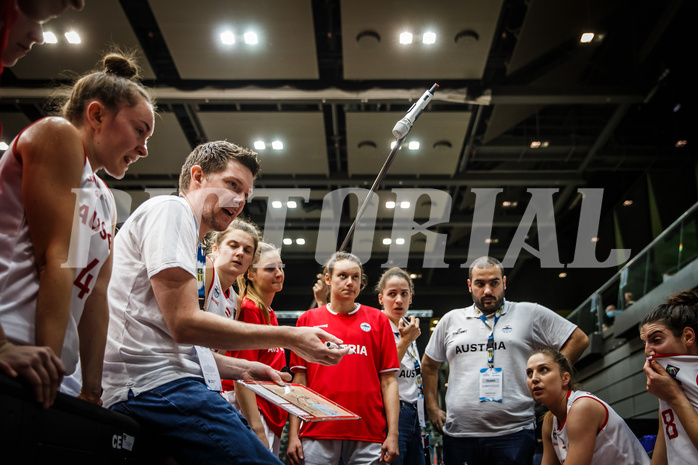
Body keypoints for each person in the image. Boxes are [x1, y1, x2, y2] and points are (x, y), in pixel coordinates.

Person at [101, 140, 349, 465]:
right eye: (232, 185)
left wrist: (246, 369)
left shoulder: (193, 243)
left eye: (246, 193)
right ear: (198, 176)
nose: (240, 199)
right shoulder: (171, 210)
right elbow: (184, 325)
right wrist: (290, 337)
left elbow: (179, 346)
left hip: (164, 384)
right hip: (153, 387)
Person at [0, 51, 154, 408]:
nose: (144, 149)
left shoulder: (105, 197)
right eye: (139, 131)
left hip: (50, 368)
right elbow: (55, 258)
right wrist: (48, 365)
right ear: (97, 114)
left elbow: (97, 297)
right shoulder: (56, 133)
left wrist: (92, 387)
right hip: (19, 352)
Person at [421, 256, 589, 465]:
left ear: (504, 282)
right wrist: (432, 408)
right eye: (480, 284)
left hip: (514, 433)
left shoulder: (529, 313)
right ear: (469, 285)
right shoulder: (451, 320)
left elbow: (578, 339)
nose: (488, 291)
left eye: (494, 283)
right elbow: (428, 365)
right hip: (460, 436)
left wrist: (549, 376)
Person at [287, 252, 400, 465]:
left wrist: (392, 434)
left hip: (368, 430)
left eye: (355, 277)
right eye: (343, 276)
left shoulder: (378, 320)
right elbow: (299, 381)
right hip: (317, 428)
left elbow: (389, 381)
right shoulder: (308, 320)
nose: (350, 282)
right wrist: (294, 434)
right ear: (328, 280)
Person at [526, 347, 650, 465]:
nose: (534, 378)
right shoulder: (549, 421)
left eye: (543, 369)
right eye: (529, 373)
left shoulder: (582, 407)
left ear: (565, 378)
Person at [225, 242, 289, 457]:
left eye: (281, 267)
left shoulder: (268, 312)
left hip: (267, 406)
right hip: (248, 409)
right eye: (270, 268)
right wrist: (257, 429)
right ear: (250, 274)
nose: (279, 273)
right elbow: (242, 375)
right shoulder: (249, 310)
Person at [639, 289, 698, 465]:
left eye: (656, 340)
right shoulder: (668, 386)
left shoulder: (671, 392)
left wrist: (675, 397)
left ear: (687, 336)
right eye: (644, 343)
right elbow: (663, 450)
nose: (648, 351)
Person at [376, 267, 425, 465]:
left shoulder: (407, 327)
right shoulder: (375, 326)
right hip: (390, 414)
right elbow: (381, 372)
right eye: (392, 294)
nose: (398, 300)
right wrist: (404, 342)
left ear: (410, 298)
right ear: (381, 299)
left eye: (404, 294)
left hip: (414, 412)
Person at [203, 217, 261, 320]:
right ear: (215, 249)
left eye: (247, 251)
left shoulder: (236, 302)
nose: (240, 253)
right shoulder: (206, 268)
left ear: (252, 260)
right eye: (233, 246)